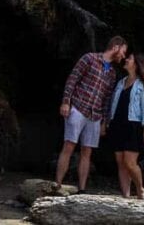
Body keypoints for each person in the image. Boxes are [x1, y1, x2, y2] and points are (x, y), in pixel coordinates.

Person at [55, 36, 127, 191]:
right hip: (78, 107)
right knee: (69, 145)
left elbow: (107, 99)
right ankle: (57, 184)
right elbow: (72, 80)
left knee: (87, 151)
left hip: (95, 115)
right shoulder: (89, 59)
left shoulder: (112, 73)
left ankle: (81, 188)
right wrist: (66, 102)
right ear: (116, 46)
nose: (123, 55)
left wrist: (104, 122)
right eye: (123, 51)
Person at [107, 52, 144, 199]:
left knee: (130, 163)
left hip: (133, 126)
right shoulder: (120, 83)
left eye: (129, 58)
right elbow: (113, 105)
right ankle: (126, 197)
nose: (126, 60)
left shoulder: (141, 85)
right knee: (120, 163)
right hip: (117, 125)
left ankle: (140, 189)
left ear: (136, 64)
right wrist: (107, 121)